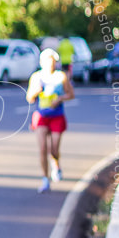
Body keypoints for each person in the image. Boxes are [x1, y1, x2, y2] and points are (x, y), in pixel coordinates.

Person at [26, 48, 74, 194]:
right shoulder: (36, 77)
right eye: (47, 61)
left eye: (52, 61)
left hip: (57, 116)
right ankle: (45, 179)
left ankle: (56, 165)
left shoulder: (61, 77)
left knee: (54, 148)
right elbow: (29, 98)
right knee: (42, 149)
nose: (49, 64)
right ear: (41, 62)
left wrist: (59, 99)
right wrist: (36, 91)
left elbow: (71, 94)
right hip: (41, 116)